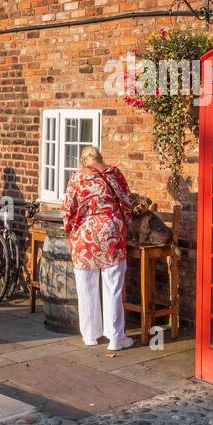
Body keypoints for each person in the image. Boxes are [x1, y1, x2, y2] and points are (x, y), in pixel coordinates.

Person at [62, 145, 135, 351]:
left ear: (83, 161)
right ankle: (115, 338)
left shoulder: (77, 178)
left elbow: (68, 209)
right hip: (111, 231)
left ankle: (90, 335)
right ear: (100, 158)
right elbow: (127, 203)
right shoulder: (114, 174)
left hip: (85, 234)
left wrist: (70, 228)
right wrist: (121, 221)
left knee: (86, 285)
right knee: (113, 285)